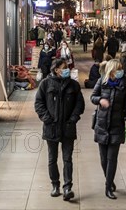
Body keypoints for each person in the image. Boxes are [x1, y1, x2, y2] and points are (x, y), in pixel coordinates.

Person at [34, 58, 85, 201]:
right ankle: (55, 185)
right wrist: (47, 118)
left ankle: (67, 187)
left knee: (67, 159)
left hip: (68, 128)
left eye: (67, 67)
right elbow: (38, 103)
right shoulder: (45, 84)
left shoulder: (73, 85)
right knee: (52, 159)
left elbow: (79, 104)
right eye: (64, 67)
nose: (67, 69)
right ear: (56, 70)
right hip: (51, 128)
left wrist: (73, 118)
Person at [90, 59, 126, 199]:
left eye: (121, 68)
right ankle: (110, 180)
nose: (121, 71)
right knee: (103, 159)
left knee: (112, 158)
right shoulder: (102, 81)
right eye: (118, 69)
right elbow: (93, 96)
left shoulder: (124, 84)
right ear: (111, 70)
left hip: (117, 125)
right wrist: (100, 100)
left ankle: (108, 187)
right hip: (102, 124)